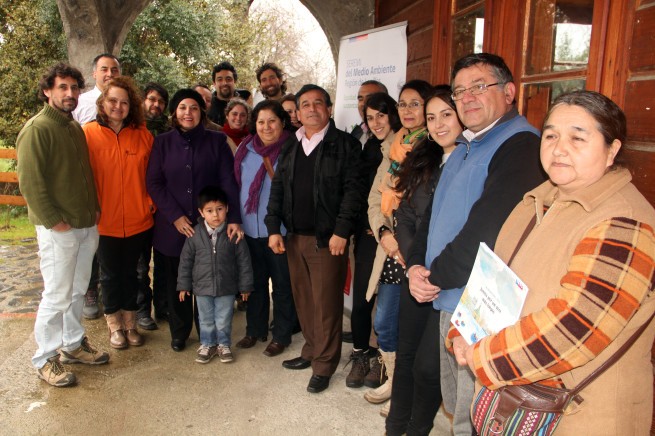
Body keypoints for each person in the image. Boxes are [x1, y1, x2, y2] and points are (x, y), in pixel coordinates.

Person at [452, 90, 655, 434]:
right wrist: (464, 331)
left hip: (579, 414)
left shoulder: (625, 224)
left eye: (578, 137)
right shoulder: (537, 200)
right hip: (515, 396)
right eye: (550, 135)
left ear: (612, 150)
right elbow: (492, 280)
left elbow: (576, 328)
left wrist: (481, 355)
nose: (559, 148)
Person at [405, 53, 546, 435]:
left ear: (510, 92)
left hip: (481, 309)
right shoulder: (466, 146)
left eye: (480, 86)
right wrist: (415, 264)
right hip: (448, 295)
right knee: (457, 405)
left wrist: (433, 274)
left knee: (476, 415)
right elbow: (432, 215)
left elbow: (487, 229)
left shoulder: (519, 147)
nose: (467, 97)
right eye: (460, 90)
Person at [265, 84, 363, 394]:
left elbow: (353, 192)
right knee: (305, 301)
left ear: (329, 109)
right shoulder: (291, 145)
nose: (310, 109)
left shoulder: (345, 144)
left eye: (317, 103)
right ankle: (311, 350)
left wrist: (341, 231)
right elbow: (278, 189)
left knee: (327, 306)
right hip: (295, 238)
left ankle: (324, 364)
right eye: (304, 104)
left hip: (327, 240)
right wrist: (272, 228)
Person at [17, 63, 109, 387]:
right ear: (48, 90)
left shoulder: (73, 128)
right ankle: (45, 358)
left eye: (74, 88)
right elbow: (30, 183)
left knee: (77, 290)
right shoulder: (37, 129)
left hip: (85, 225)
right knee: (56, 295)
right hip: (60, 229)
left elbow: (84, 174)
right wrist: (55, 222)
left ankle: (72, 345)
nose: (70, 94)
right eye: (62, 88)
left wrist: (94, 208)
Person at [386, 86, 462, 435]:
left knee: (429, 369)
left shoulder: (470, 162)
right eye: (431, 118)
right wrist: (414, 263)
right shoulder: (423, 157)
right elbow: (405, 212)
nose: (438, 124)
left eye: (446, 114)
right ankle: (394, 426)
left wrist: (430, 270)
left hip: (446, 282)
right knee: (405, 360)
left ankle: (417, 428)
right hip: (414, 274)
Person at [146, 88, 243, 352]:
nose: (188, 113)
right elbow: (154, 183)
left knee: (206, 282)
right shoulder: (162, 142)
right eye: (182, 108)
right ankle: (179, 332)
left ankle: (206, 332)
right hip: (171, 227)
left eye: (194, 108)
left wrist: (232, 217)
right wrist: (175, 216)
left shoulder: (217, 141)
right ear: (174, 113)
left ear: (202, 112)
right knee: (177, 281)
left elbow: (228, 181)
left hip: (208, 226)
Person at [364, 80, 433, 415]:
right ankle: (394, 381)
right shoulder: (394, 146)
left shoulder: (432, 148)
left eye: (415, 104)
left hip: (416, 251)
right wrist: (383, 233)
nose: (407, 111)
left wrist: (400, 241)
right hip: (390, 248)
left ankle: (405, 392)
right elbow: (375, 199)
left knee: (410, 327)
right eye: (403, 104)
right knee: (387, 323)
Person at [83, 76, 154, 349]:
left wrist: (149, 203)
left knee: (134, 275)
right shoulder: (88, 134)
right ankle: (114, 326)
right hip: (105, 222)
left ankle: (130, 323)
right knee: (110, 276)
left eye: (124, 102)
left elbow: (153, 176)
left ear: (131, 106)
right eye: (113, 100)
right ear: (102, 102)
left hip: (139, 220)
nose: (118, 106)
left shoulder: (142, 135)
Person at [233, 100, 298, 357]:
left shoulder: (292, 149)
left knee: (282, 285)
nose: (266, 127)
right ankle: (254, 330)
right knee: (255, 283)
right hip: (249, 230)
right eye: (261, 121)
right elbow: (236, 185)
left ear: (282, 122)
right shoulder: (245, 148)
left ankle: (281, 335)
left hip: (279, 232)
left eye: (272, 121)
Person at [345, 92, 401, 390]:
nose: (376, 122)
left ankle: (384, 357)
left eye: (381, 114)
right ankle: (360, 354)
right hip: (370, 234)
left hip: (395, 236)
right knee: (363, 298)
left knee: (388, 302)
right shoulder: (368, 148)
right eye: (370, 117)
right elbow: (361, 193)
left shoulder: (405, 146)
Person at [178, 186, 253, 364]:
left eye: (219, 209)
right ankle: (207, 344)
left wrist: (245, 287)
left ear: (227, 208)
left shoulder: (233, 234)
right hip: (202, 288)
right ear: (201, 212)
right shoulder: (194, 234)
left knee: (223, 318)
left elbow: (244, 263)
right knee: (205, 319)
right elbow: (186, 261)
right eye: (209, 211)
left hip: (226, 287)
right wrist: (183, 285)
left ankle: (223, 345)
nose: (215, 215)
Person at [72, 53, 121, 320]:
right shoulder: (82, 103)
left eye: (114, 69)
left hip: (117, 180)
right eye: (104, 69)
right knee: (91, 241)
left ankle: (113, 294)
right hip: (90, 181)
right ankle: (91, 290)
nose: (109, 73)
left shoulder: (124, 103)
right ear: (94, 74)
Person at [138, 82, 171, 330]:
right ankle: (141, 310)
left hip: (164, 208)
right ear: (142, 101)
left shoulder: (170, 132)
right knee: (139, 265)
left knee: (162, 262)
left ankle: (163, 306)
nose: (155, 105)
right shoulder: (134, 129)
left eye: (160, 101)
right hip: (137, 205)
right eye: (151, 99)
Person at [350, 80, 389, 145]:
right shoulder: (356, 132)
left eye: (370, 98)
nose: (363, 103)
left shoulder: (398, 137)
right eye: (360, 99)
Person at [207, 61, 241, 126]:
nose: (224, 83)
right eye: (220, 79)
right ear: (214, 83)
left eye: (228, 79)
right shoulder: (208, 107)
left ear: (234, 81)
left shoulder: (244, 106)